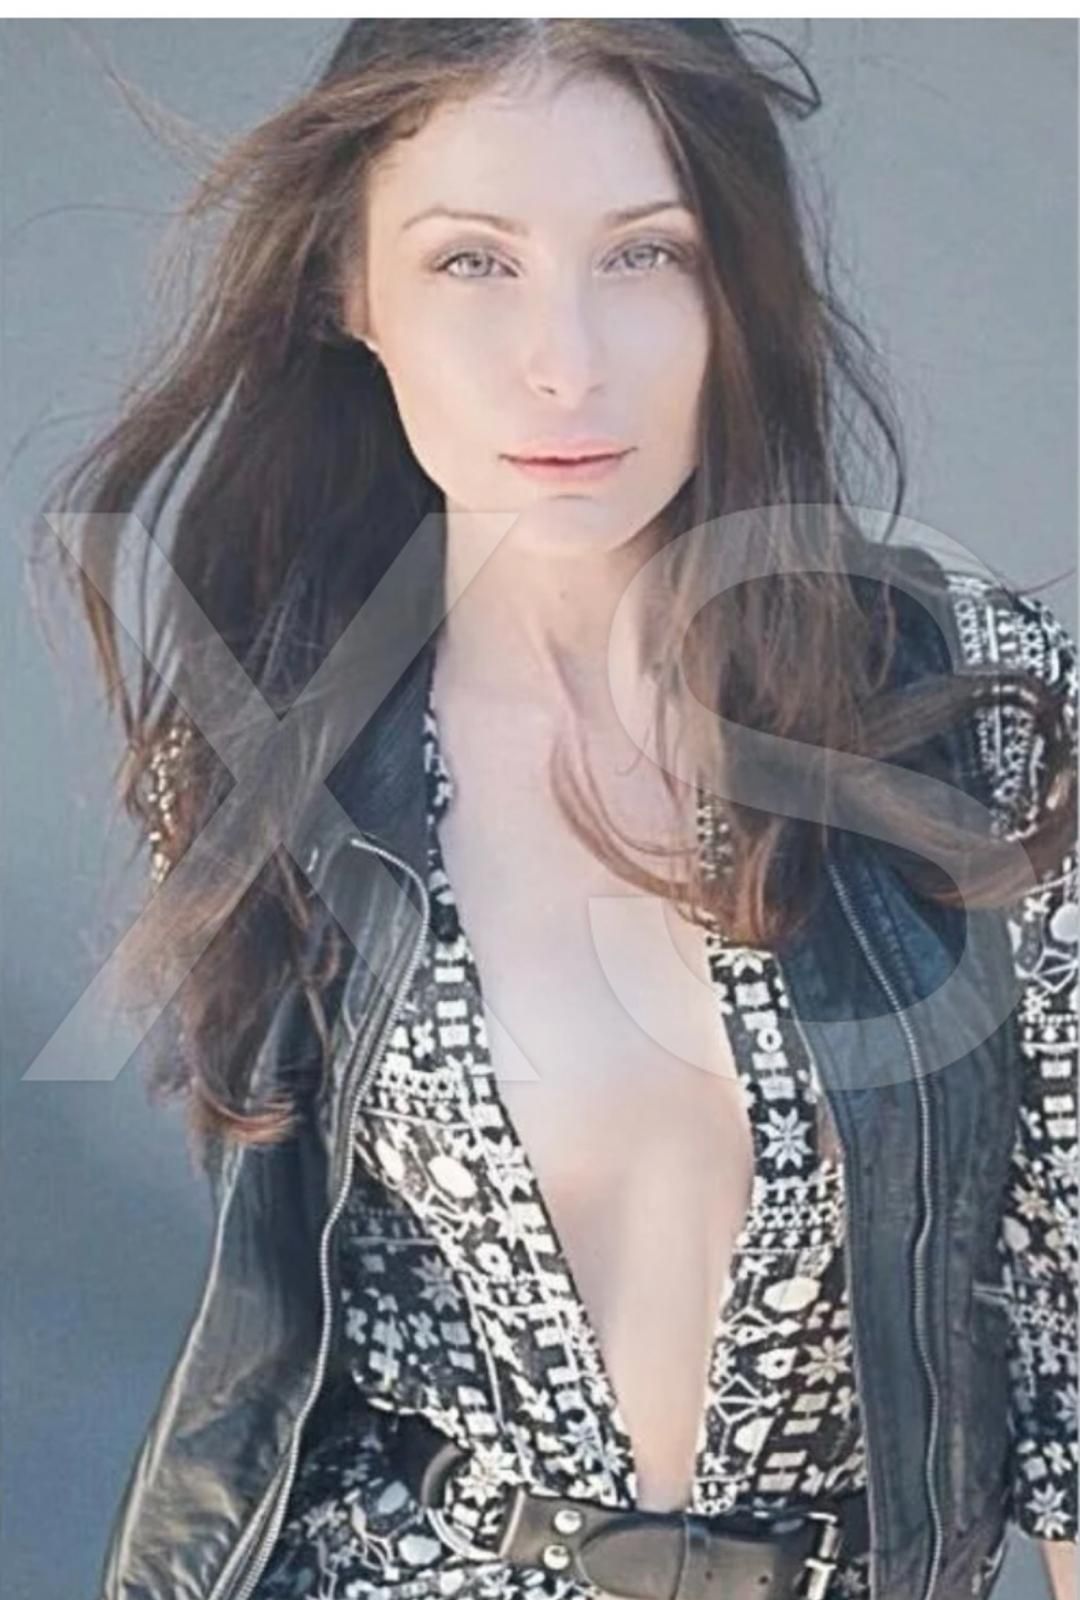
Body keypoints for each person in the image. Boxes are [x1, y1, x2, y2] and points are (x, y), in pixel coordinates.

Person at [38, 20, 1076, 1600]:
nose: (569, 363)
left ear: (734, 287)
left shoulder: (976, 706)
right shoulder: (272, 754)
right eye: (475, 262)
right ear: (348, 291)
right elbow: (298, 1349)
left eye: (645, 254)